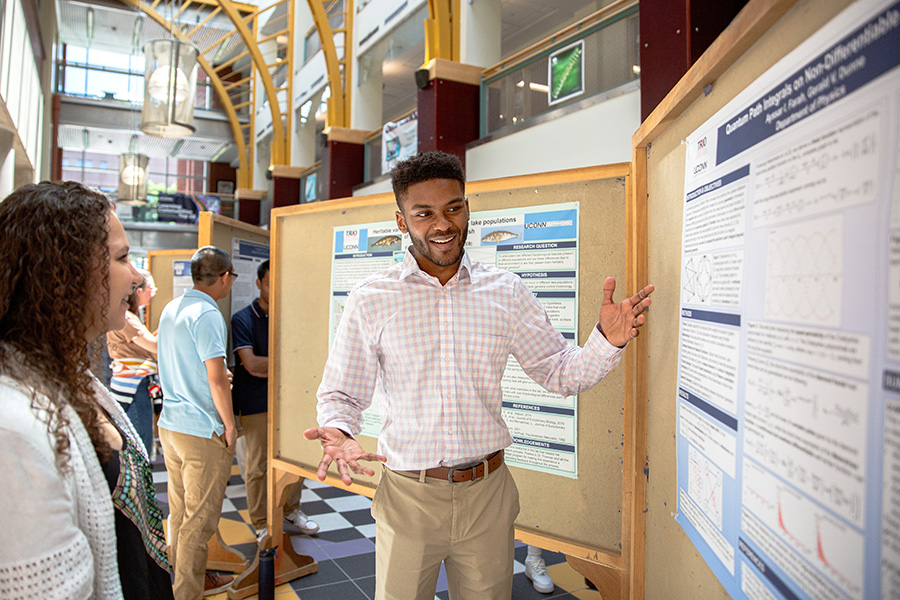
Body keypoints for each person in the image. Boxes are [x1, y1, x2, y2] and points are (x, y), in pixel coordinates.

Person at [304, 151, 654, 600]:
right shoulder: (372, 299)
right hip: (409, 494)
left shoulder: (505, 292)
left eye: (453, 207)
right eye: (424, 213)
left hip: (487, 494)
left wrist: (607, 338)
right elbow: (341, 393)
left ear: (467, 208)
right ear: (401, 220)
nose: (442, 224)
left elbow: (559, 373)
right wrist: (338, 429)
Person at [0, 181, 173, 599]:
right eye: (122, 258)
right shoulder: (14, 430)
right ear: (65, 272)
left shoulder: (68, 374)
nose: (134, 277)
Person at [157, 246, 238, 599]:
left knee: (179, 514)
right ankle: (186, 593)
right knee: (198, 523)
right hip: (201, 430)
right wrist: (230, 425)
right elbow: (217, 379)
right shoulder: (207, 314)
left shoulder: (172, 308)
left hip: (171, 425)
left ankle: (186, 580)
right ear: (224, 277)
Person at [231, 260, 319, 541]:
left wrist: (285, 364)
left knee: (297, 459)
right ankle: (260, 522)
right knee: (257, 466)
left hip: (290, 401)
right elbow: (253, 365)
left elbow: (308, 356)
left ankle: (291, 509)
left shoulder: (290, 317)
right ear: (259, 284)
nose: (275, 289)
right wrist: (292, 362)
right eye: (270, 283)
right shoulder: (242, 318)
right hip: (255, 402)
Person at [107, 269, 159, 452]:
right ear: (138, 291)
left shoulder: (130, 316)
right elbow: (154, 346)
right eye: (151, 288)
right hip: (133, 385)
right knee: (139, 443)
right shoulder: (128, 318)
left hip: (131, 384)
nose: (153, 293)